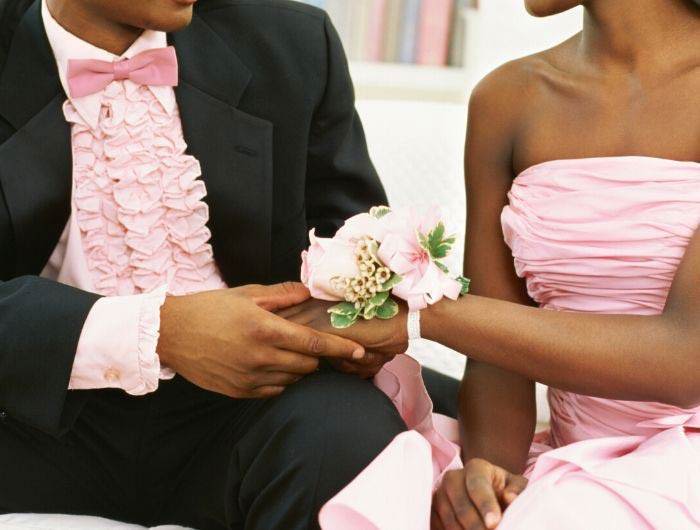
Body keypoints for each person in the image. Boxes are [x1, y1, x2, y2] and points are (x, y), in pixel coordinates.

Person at [0, 0, 424, 528]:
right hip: (30, 408)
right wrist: (161, 331)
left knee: (346, 431)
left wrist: (352, 324)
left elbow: (355, 241)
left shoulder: (293, 42)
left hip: (248, 405)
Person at [287, 0, 700, 528]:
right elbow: (498, 354)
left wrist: (425, 315)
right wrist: (489, 478)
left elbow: (686, 360)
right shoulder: (507, 99)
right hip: (570, 467)